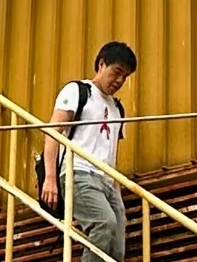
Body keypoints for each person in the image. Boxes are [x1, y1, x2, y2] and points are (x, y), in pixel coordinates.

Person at [39, 42, 136, 262]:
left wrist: (116, 193)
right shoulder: (78, 91)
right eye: (117, 72)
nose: (120, 81)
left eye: (125, 76)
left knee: (117, 247)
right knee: (104, 223)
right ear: (101, 64)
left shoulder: (118, 109)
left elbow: (112, 154)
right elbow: (52, 132)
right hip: (79, 174)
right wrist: (50, 179)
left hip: (107, 183)